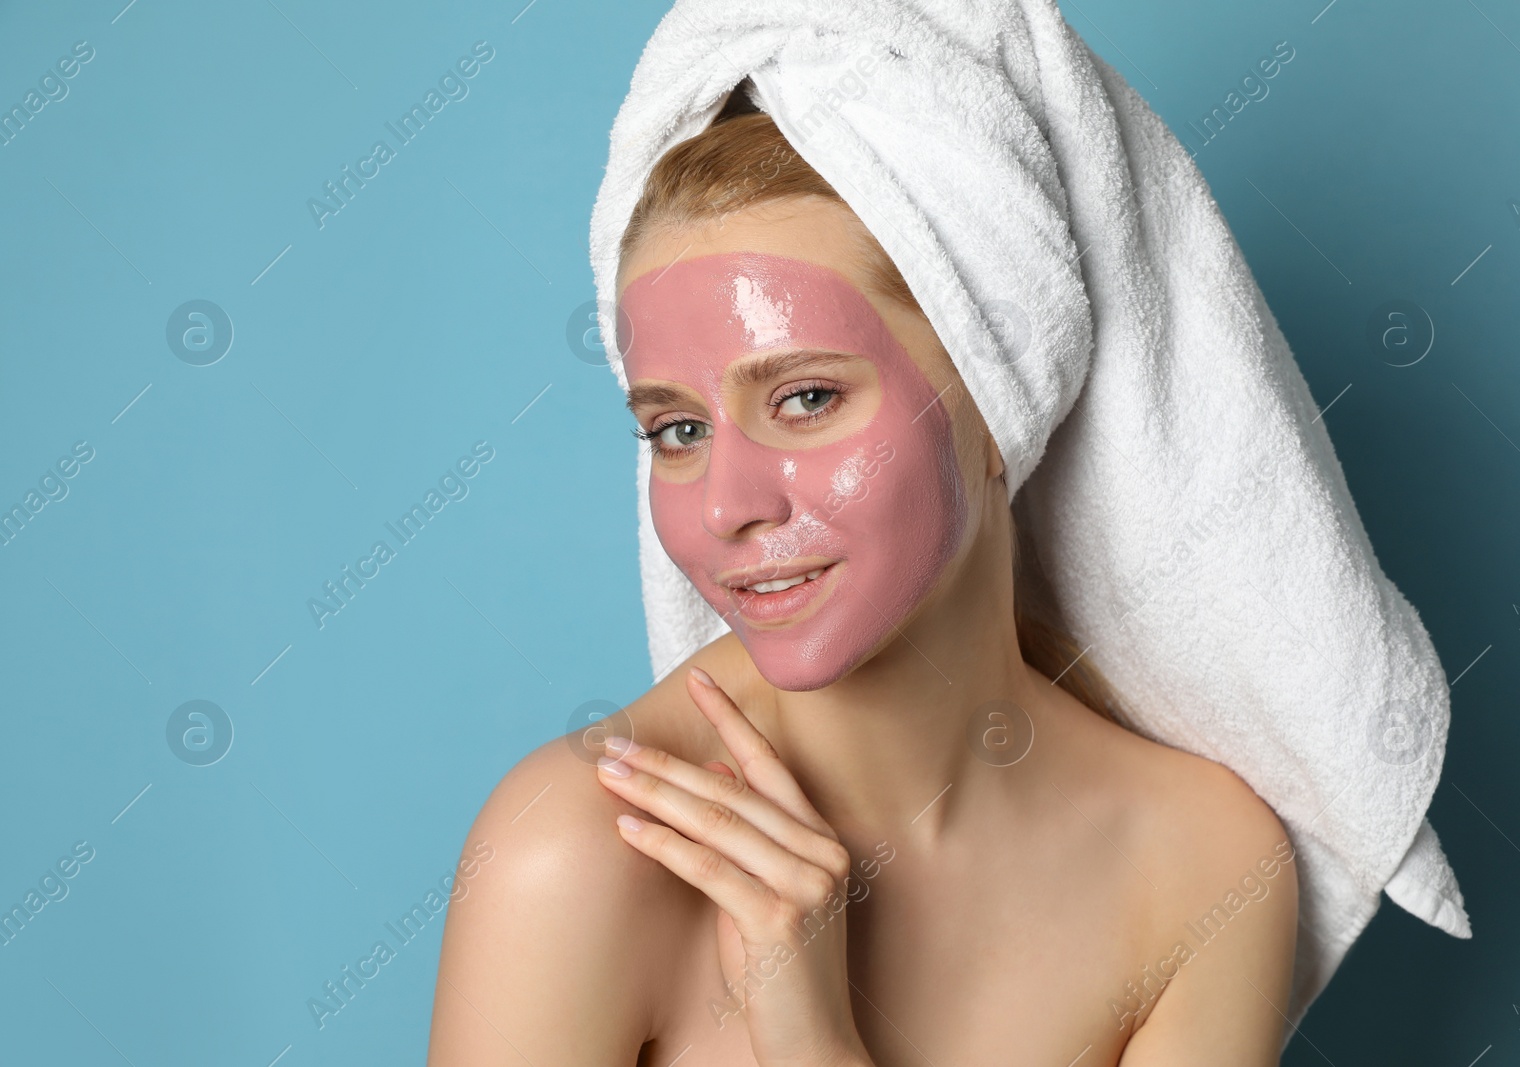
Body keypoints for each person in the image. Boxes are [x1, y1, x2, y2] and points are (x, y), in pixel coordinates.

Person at [426, 104, 1299, 1066]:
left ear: (1000, 396)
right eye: (677, 429)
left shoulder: (1202, 865)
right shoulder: (579, 854)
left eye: (805, 398)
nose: (726, 505)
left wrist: (814, 1043)